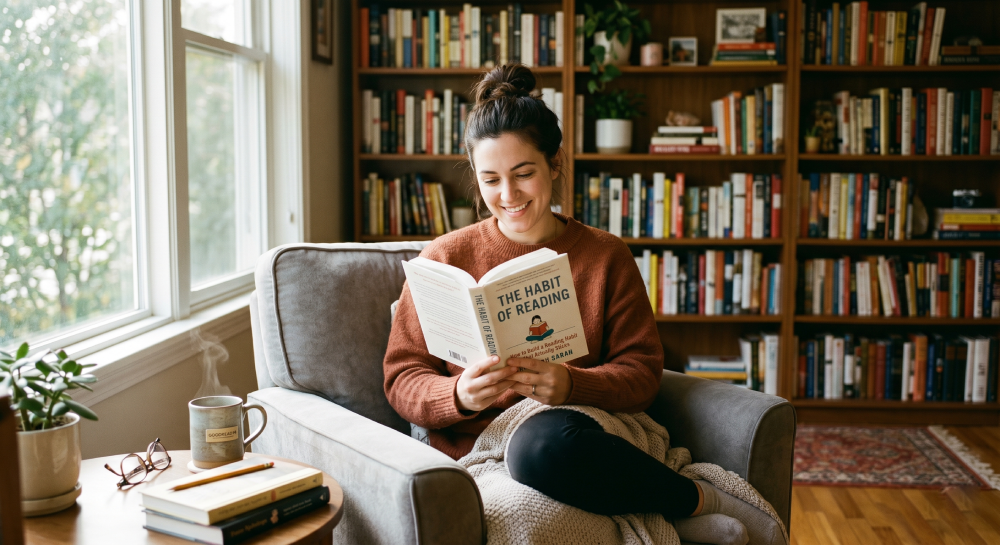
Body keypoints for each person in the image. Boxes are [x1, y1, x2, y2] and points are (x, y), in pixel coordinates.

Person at [383, 63, 783, 545]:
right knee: (522, 504)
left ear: (554, 164)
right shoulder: (444, 257)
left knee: (540, 446)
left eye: (524, 173)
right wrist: (459, 396)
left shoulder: (604, 255)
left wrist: (574, 384)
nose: (508, 195)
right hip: (483, 449)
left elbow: (642, 374)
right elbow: (402, 377)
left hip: (579, 434)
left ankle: (700, 498)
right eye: (490, 179)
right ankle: (677, 505)